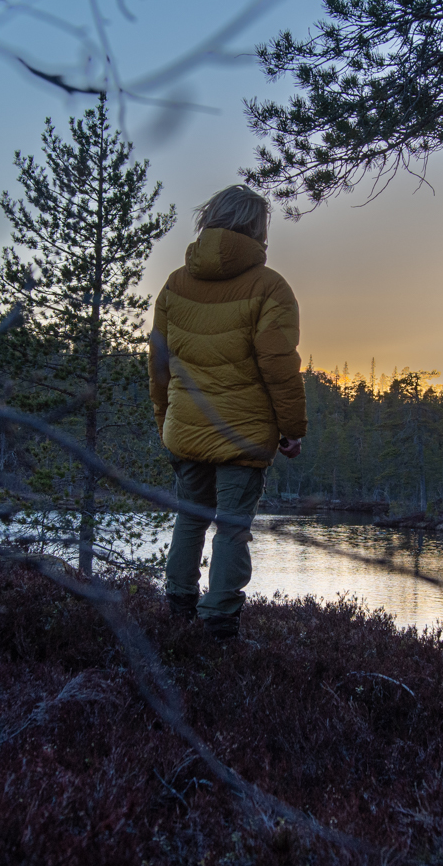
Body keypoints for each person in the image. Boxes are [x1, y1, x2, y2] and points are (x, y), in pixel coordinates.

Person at [148, 184, 307, 639]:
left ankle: (177, 611)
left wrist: (166, 422)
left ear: (210, 220)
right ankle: (218, 626)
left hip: (186, 431)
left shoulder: (175, 284)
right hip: (242, 436)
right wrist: (292, 429)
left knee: (190, 518)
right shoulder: (270, 286)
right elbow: (279, 366)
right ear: (258, 229)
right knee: (232, 531)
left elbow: (157, 365)